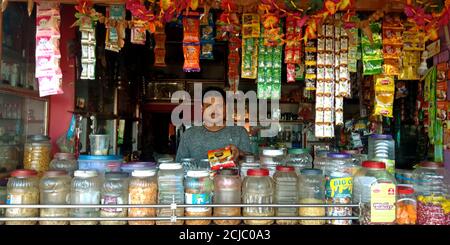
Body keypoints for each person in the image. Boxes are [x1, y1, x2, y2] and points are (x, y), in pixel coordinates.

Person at [175, 87, 252, 162]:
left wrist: (239, 153)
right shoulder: (189, 135)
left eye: (219, 105)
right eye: (208, 106)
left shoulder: (239, 132)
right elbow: (180, 166)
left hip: (229, 175)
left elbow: (251, 161)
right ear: (202, 108)